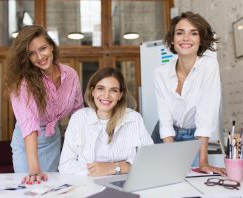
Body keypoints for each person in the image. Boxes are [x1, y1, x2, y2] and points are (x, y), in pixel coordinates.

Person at [4, 25, 83, 184]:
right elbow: (29, 125)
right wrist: (34, 169)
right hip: (27, 143)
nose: (39, 57)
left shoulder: (71, 75)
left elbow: (78, 114)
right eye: (31, 54)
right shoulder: (22, 82)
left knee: (52, 187)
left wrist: (83, 152)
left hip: (52, 138)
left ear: (52, 46)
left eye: (43, 48)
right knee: (32, 188)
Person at [153, 11, 226, 175]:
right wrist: (171, 158)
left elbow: (205, 116)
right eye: (180, 33)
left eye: (194, 33)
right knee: (162, 180)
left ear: (201, 40)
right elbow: (165, 120)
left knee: (192, 182)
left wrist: (204, 162)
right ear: (172, 39)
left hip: (193, 138)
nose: (186, 38)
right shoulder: (160, 73)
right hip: (164, 136)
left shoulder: (209, 67)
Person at [58, 67, 153, 176]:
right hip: (88, 183)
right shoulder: (79, 118)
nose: (106, 95)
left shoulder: (134, 119)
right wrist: (100, 170)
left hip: (125, 182)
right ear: (92, 91)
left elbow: (150, 159)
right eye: (101, 88)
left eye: (113, 90)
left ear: (120, 95)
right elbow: (65, 165)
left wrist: (113, 168)